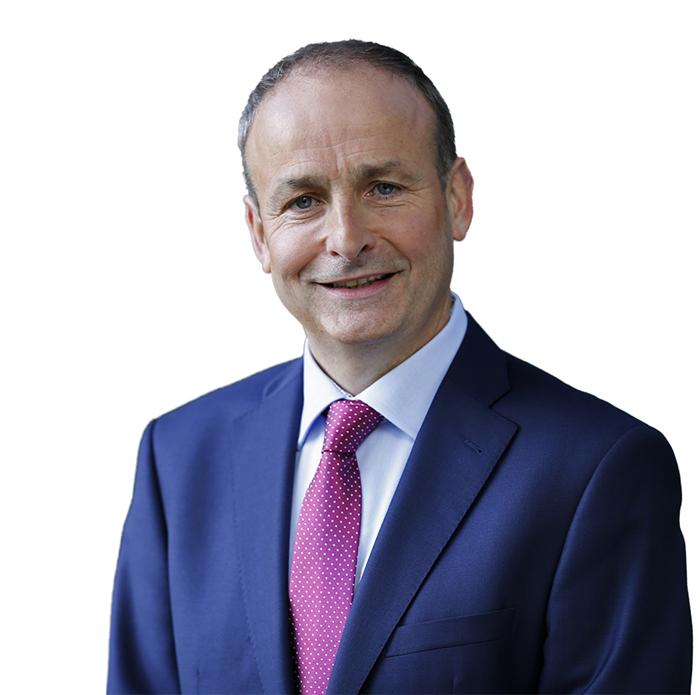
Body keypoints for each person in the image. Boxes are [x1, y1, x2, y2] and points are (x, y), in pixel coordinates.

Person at [107, 40, 692, 694]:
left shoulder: (597, 469)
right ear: (258, 231)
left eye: (383, 187)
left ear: (457, 197)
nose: (346, 238)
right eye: (302, 200)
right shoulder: (177, 459)